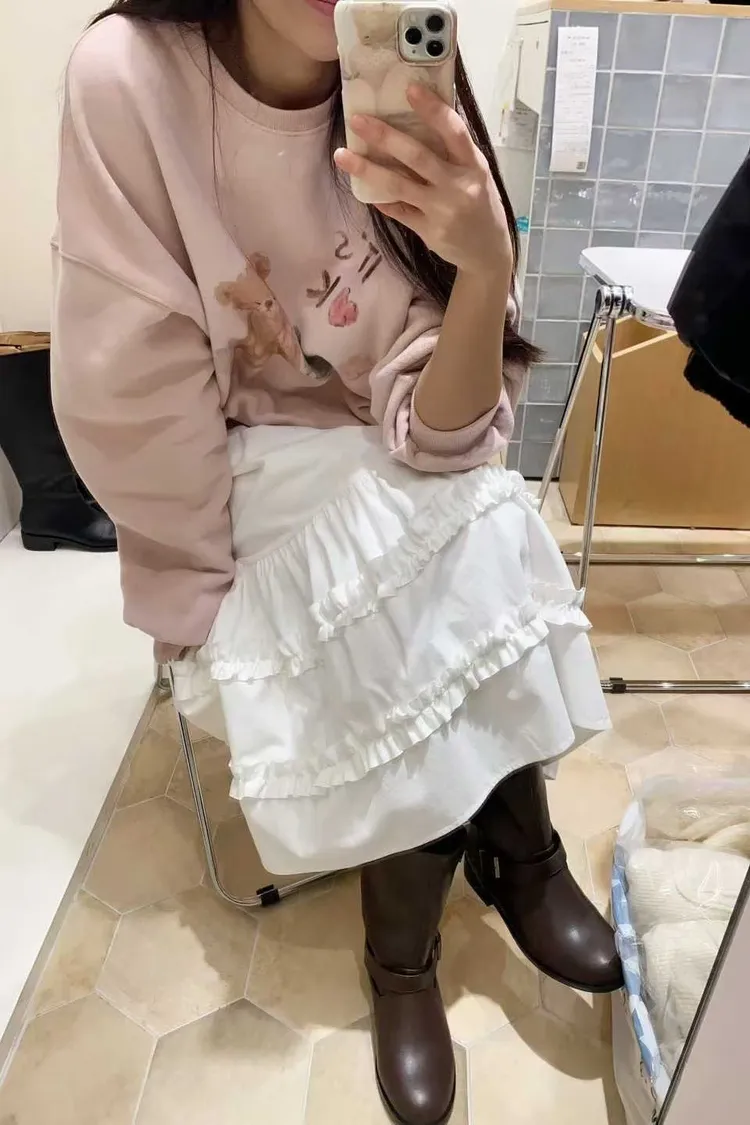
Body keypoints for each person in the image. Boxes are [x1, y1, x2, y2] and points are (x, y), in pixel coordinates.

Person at [52, 2, 622, 1122]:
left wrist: (486, 266)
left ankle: (461, 896)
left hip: (394, 442)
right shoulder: (130, 77)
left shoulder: (399, 52)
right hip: (234, 465)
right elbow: (134, 381)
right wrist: (189, 577)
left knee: (470, 505)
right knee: (436, 547)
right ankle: (486, 877)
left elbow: (447, 435)